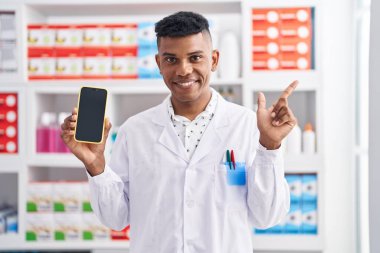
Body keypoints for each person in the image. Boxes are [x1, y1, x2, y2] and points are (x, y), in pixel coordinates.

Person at [61, 11, 297, 253]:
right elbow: (116, 219)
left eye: (195, 58)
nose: (184, 70)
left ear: (214, 60)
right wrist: (96, 166)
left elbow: (267, 216)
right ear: (158, 63)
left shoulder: (247, 126)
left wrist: (269, 147)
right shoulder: (135, 130)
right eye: (171, 59)